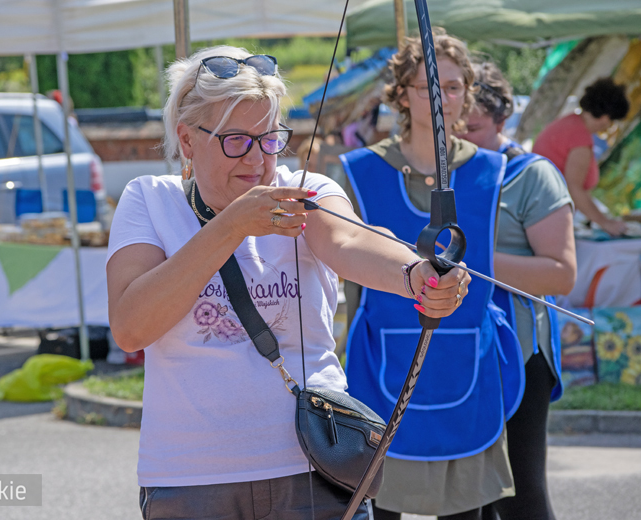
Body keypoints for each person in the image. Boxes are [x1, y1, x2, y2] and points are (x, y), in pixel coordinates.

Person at [106, 45, 470, 520]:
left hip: (316, 465)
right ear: (188, 140)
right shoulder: (149, 199)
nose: (258, 160)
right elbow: (132, 326)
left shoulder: (308, 191)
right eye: (236, 140)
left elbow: (349, 242)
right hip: (191, 479)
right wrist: (230, 226)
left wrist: (416, 274)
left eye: (270, 138)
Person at [341, 32, 518, 520]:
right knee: (380, 505)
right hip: (383, 364)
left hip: (467, 362)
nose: (444, 98)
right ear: (400, 94)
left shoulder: (490, 169)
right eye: (429, 87)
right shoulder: (359, 171)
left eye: (456, 86)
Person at [461, 62, 577, 520]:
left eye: (472, 128)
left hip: (520, 351)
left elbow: (561, 275)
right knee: (466, 495)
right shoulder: (443, 173)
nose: (461, 138)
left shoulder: (533, 174)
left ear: (502, 118)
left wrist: (469, 264)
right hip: (460, 346)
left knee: (521, 494)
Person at [532, 77, 630, 236]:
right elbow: (574, 188)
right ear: (606, 118)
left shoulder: (569, 123)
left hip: (540, 212)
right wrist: (606, 223)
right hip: (545, 218)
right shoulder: (579, 138)